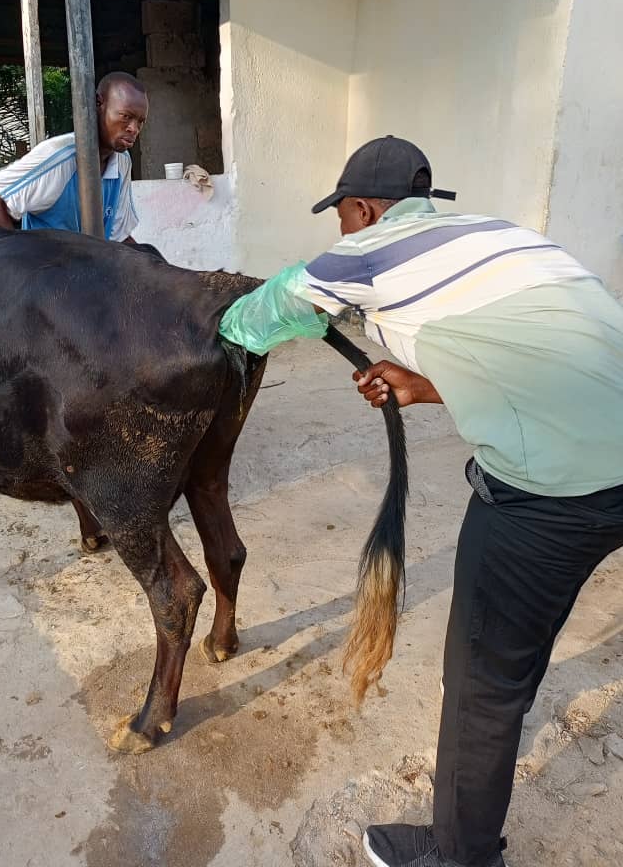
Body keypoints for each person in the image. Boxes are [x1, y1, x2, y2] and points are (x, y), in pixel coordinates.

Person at [219, 135, 623, 867]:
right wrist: (425, 385)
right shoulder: (504, 236)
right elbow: (546, 361)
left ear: (365, 210)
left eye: (343, 216)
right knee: (521, 645)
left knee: (482, 686)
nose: (343, 230)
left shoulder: (366, 252)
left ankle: (461, 857)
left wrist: (211, 316)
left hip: (549, 498)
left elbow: (261, 314)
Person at [0, 72, 149, 244]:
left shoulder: (122, 162)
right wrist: (16, 258)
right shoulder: (59, 157)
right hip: (45, 263)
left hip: (90, 262)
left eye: (140, 121)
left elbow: (118, 236)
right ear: (98, 103)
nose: (134, 129)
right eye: (126, 117)